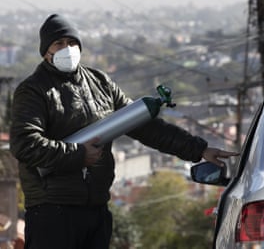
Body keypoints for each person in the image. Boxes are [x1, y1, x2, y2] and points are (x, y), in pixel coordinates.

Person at [9, 14, 239, 249]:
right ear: (45, 50)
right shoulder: (33, 90)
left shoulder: (100, 83)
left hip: (96, 209)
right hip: (52, 212)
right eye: (59, 44)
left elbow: (142, 125)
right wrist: (78, 154)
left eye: (72, 42)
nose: (67, 49)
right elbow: (24, 143)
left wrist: (199, 149)